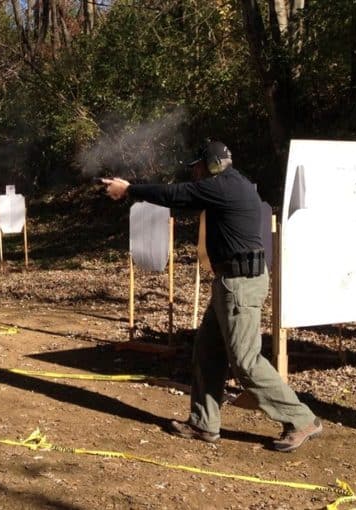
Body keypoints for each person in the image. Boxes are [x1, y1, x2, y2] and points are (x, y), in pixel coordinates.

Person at [102, 141, 322, 452]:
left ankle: (301, 419)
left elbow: (175, 195)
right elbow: (185, 197)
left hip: (240, 284)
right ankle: (204, 424)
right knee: (207, 352)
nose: (195, 173)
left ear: (213, 165)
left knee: (245, 362)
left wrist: (129, 189)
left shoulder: (223, 186)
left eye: (199, 166)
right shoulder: (235, 183)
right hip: (231, 282)